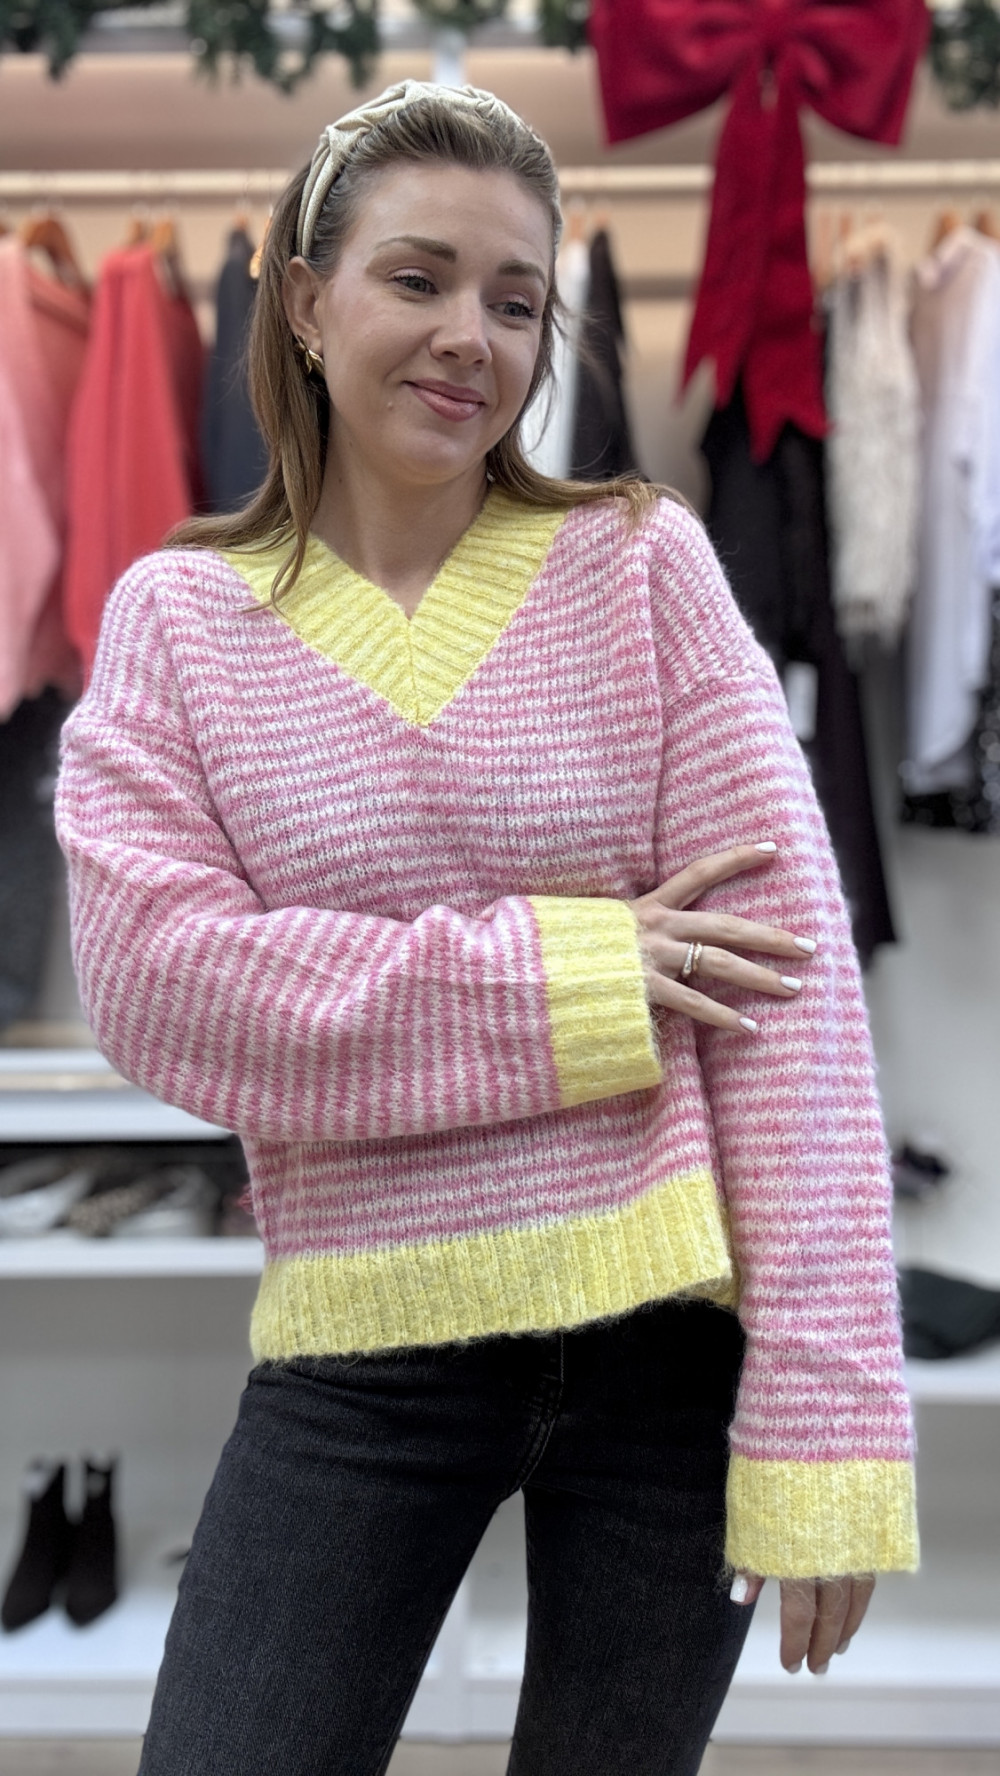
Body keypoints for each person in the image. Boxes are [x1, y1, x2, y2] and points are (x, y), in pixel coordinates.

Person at [55, 81, 917, 1776]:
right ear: (305, 300)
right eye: (420, 279)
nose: (473, 337)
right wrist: (576, 974)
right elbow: (161, 990)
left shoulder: (643, 569)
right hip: (360, 1357)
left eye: (517, 302)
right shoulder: (181, 621)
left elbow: (788, 1002)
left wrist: (827, 1405)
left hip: (672, 1353)